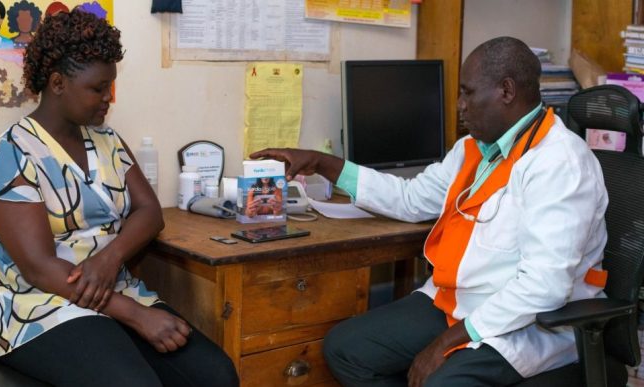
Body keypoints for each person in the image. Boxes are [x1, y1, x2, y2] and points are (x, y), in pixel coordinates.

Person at [250, 36, 608, 386]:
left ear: (507, 91)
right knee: (346, 349)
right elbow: (411, 199)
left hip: (523, 324)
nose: (459, 106)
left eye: (467, 93)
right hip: (456, 303)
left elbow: (544, 287)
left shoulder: (559, 162)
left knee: (439, 379)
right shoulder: (474, 149)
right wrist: (322, 163)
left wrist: (446, 343)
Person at [0, 8, 238, 387]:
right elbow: (40, 268)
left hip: (112, 290)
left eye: (110, 86)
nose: (108, 98)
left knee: (216, 376)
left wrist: (110, 258)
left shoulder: (107, 141)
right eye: (97, 88)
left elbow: (150, 212)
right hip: (34, 306)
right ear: (57, 83)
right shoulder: (7, 155)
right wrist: (137, 316)